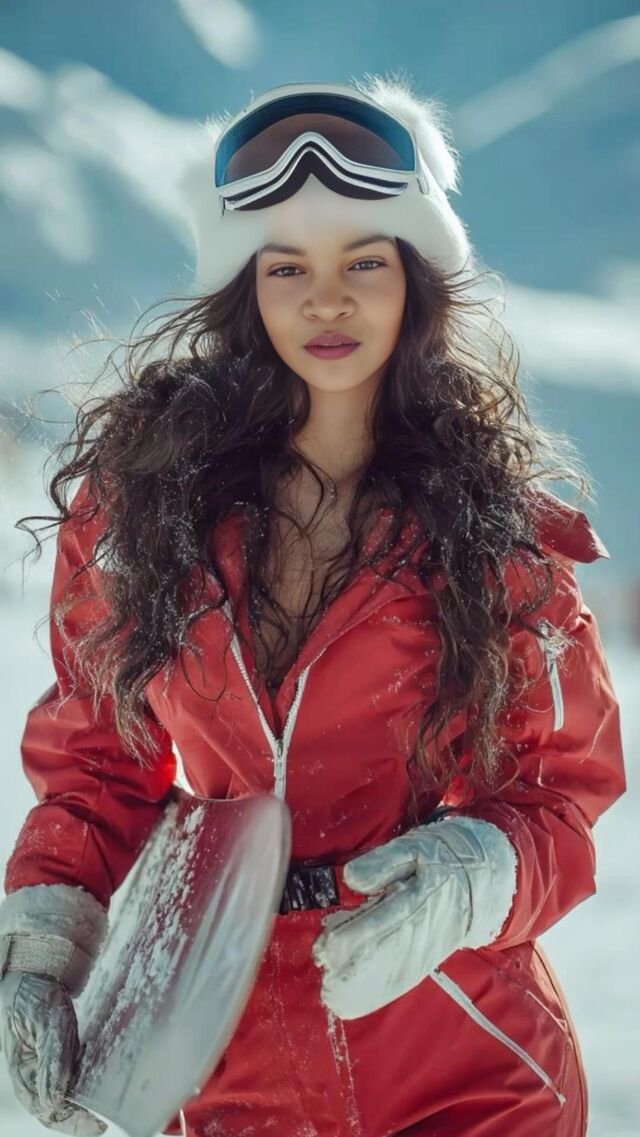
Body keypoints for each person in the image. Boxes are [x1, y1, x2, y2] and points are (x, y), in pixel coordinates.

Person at [0, 75, 626, 1137]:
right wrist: (45, 945)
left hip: (468, 1061)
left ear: (414, 279)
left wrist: (465, 882)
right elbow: (101, 758)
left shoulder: (497, 536)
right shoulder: (142, 512)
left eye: (363, 263)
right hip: (213, 1056)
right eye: (287, 267)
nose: (326, 302)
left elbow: (561, 792)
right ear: (244, 286)